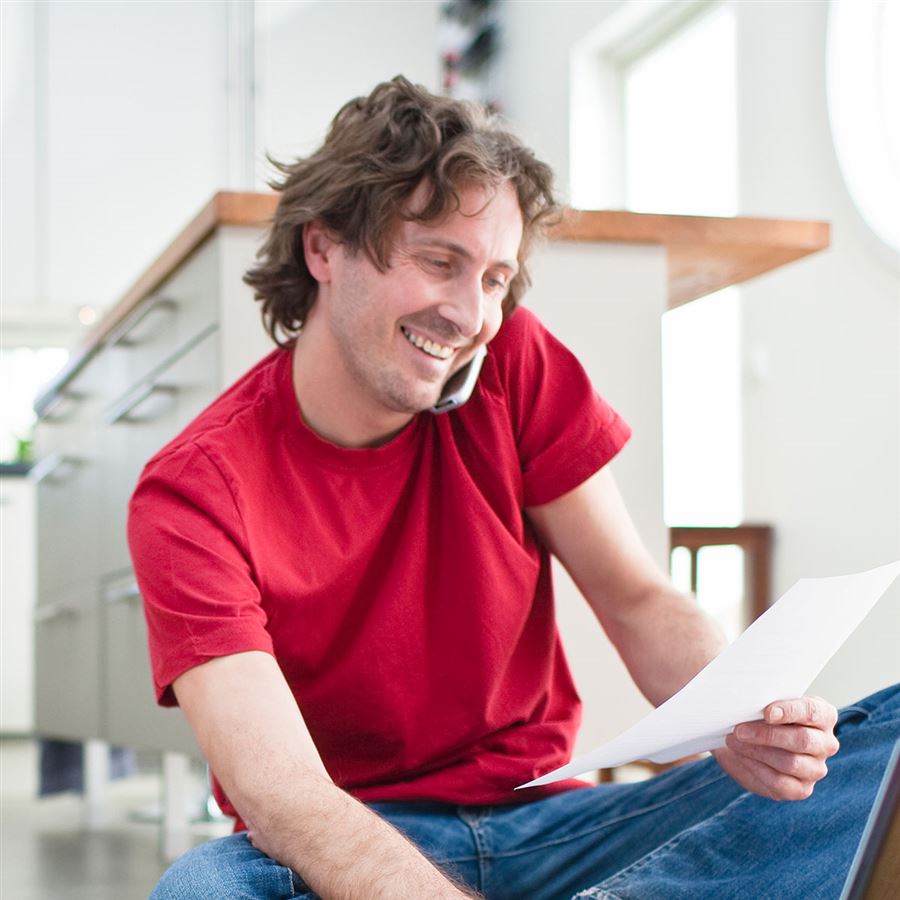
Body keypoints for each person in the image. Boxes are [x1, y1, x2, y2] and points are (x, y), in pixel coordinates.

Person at [129, 76, 899, 900]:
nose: (471, 315)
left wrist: (743, 716)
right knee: (203, 891)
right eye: (439, 262)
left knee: (881, 746)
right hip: (342, 844)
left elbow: (638, 599)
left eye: (495, 279)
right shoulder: (192, 492)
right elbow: (285, 799)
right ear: (323, 249)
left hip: (550, 826)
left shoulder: (513, 367)